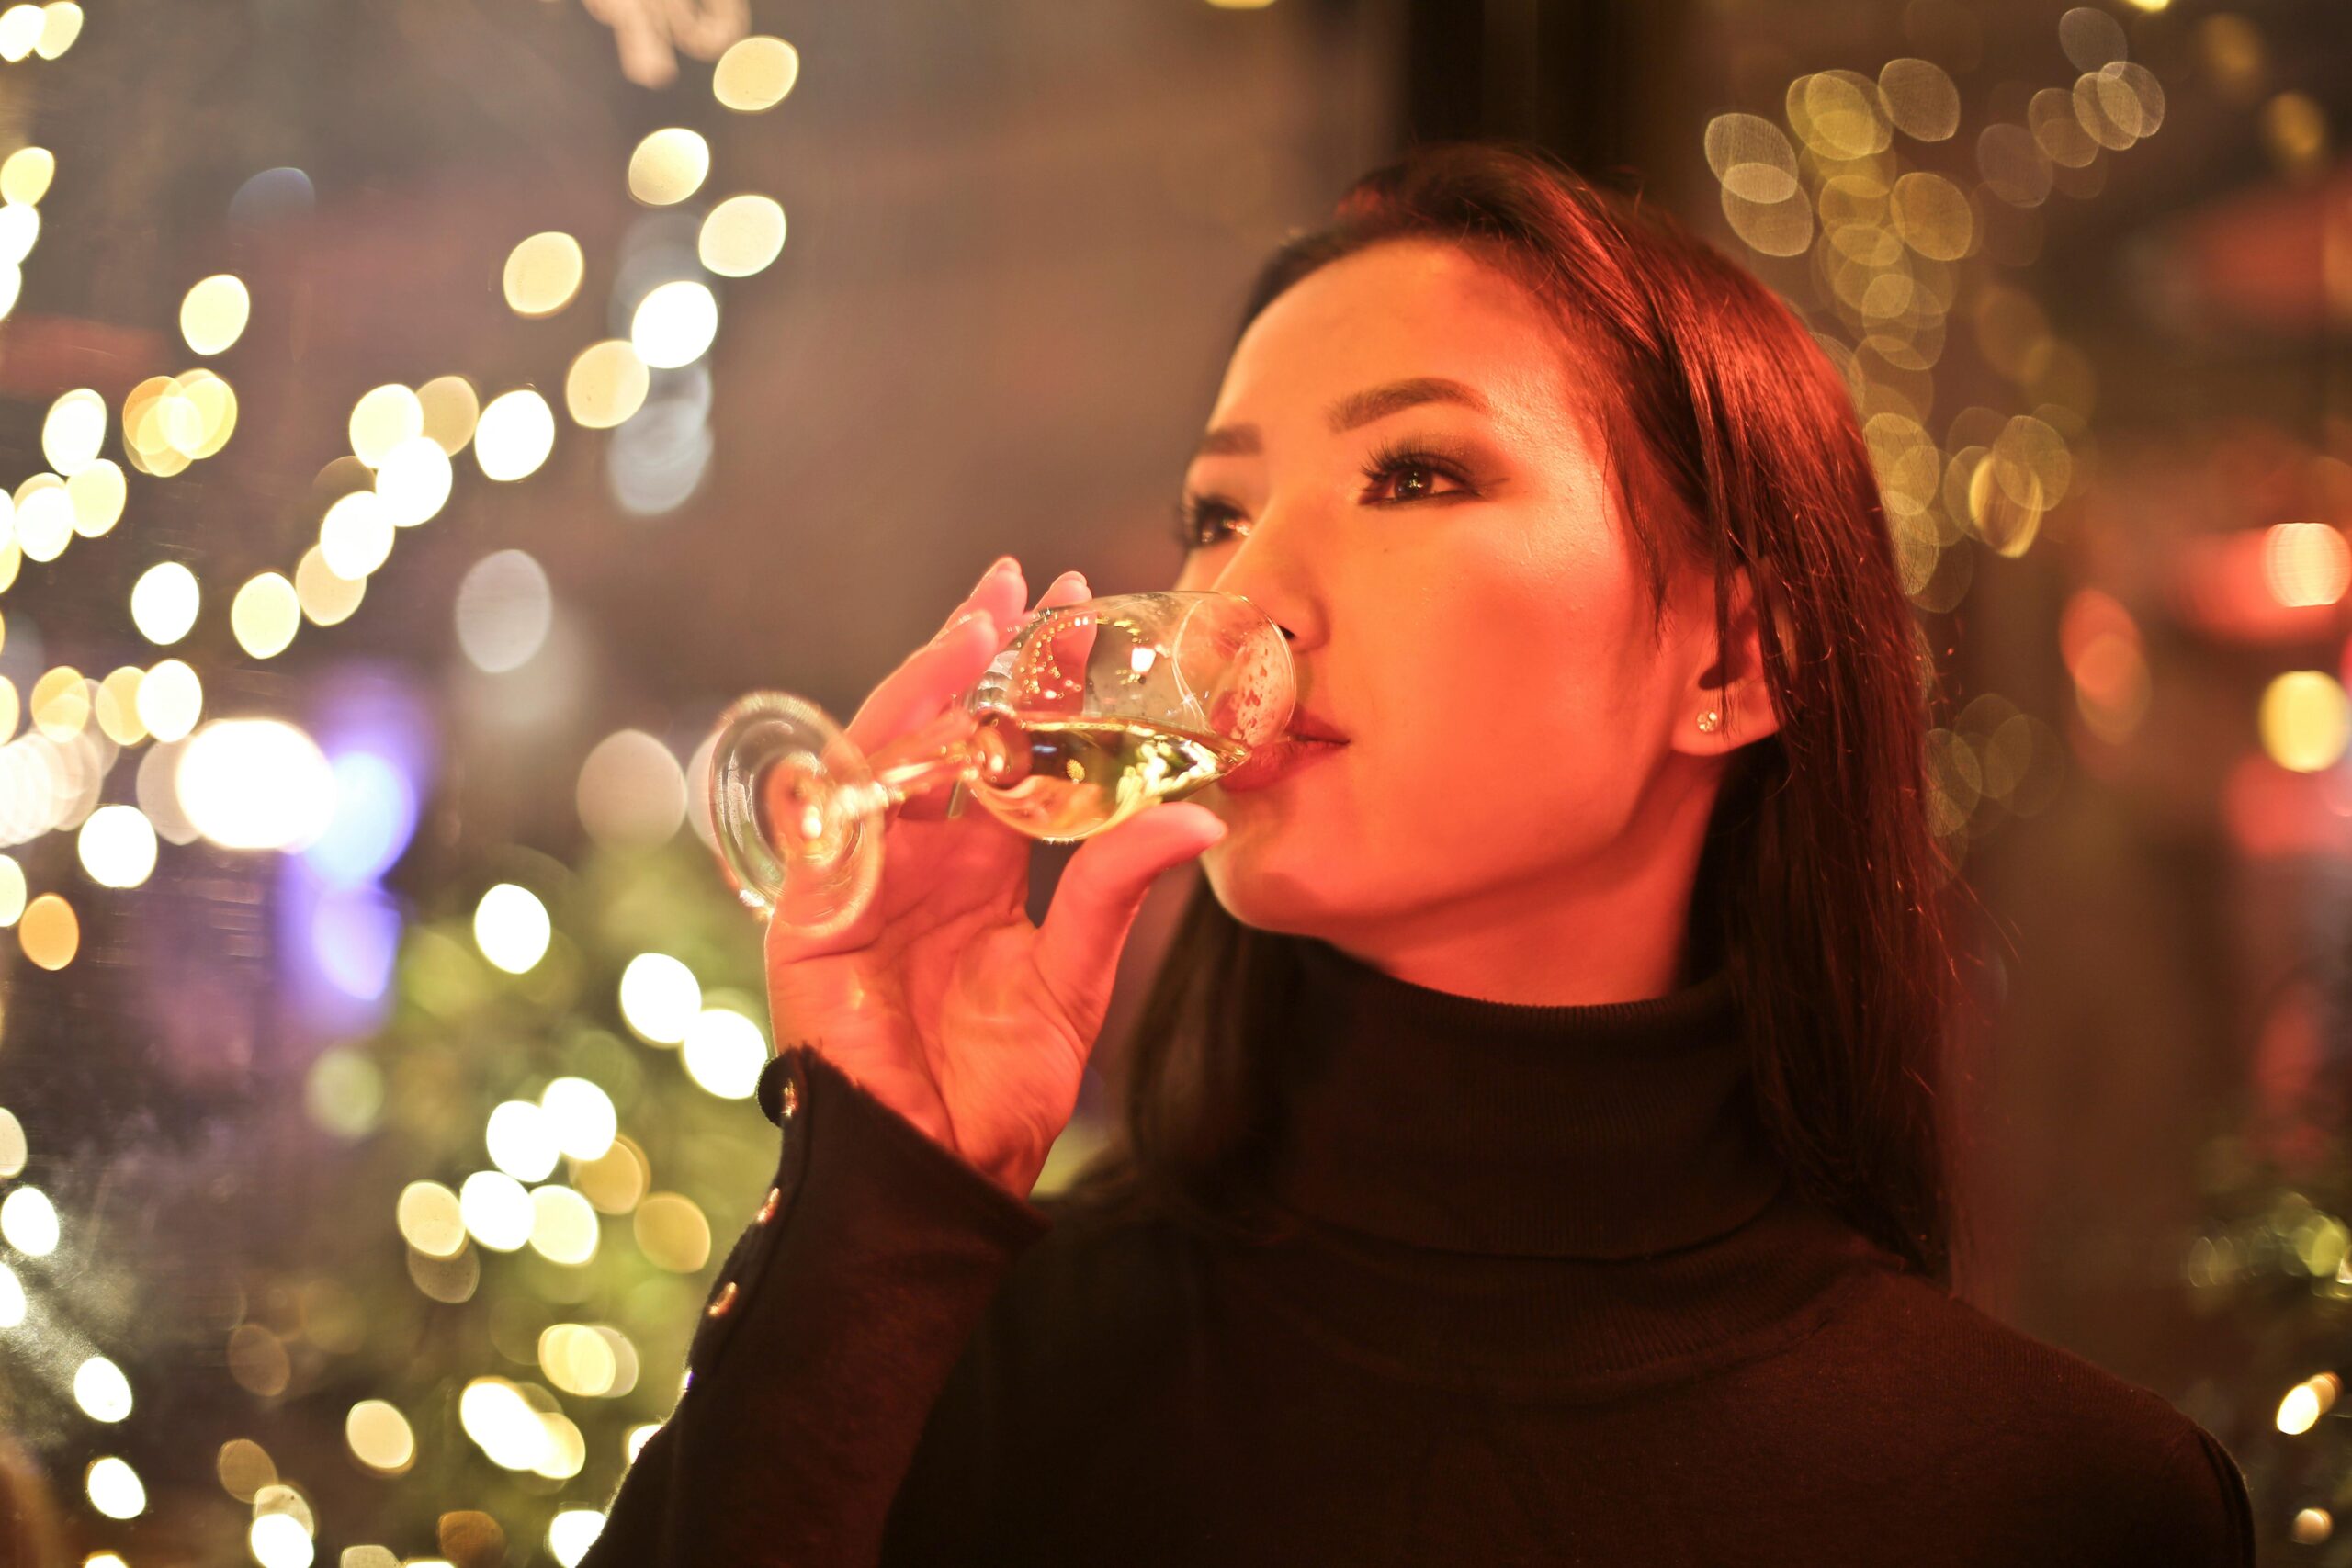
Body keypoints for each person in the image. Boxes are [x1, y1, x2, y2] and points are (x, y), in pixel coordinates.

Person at [582, 140, 2256, 1565]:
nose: (1242, 600)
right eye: (1220, 513)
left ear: (1732, 662)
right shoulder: (970, 1352)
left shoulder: (2050, 1505)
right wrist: (873, 1203)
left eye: (1415, 472)